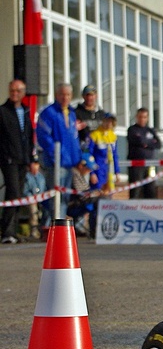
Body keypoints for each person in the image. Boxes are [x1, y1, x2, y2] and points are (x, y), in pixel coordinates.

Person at [36, 83, 83, 219]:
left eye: (68, 95)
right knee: (54, 197)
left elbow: (74, 139)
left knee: (64, 198)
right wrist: (57, 155)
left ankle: (59, 226)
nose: (65, 97)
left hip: (70, 164)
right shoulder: (49, 113)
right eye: (62, 94)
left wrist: (78, 159)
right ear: (57, 95)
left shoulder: (72, 113)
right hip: (55, 163)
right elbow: (44, 137)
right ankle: (50, 228)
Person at [0, 79, 34, 243]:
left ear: (23, 93)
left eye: (18, 91)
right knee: (12, 192)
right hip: (9, 159)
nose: (14, 94)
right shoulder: (3, 111)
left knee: (19, 195)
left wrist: (32, 159)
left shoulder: (26, 111)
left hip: (23, 159)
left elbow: (28, 136)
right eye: (12, 90)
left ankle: (14, 230)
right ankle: (7, 231)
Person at [126, 107, 161, 199]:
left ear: (147, 118)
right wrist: (148, 142)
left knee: (151, 189)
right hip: (137, 165)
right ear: (137, 117)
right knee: (136, 189)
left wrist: (146, 143)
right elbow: (139, 141)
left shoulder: (150, 130)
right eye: (140, 117)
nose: (142, 119)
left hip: (150, 165)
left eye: (144, 117)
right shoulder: (132, 129)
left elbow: (158, 144)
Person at [89, 113, 119, 194]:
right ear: (102, 121)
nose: (109, 124)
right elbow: (88, 155)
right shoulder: (94, 135)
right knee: (97, 194)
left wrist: (117, 172)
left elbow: (115, 155)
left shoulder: (113, 136)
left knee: (109, 195)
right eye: (107, 121)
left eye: (111, 122)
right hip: (98, 170)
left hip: (109, 171)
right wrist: (92, 173)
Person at [74, 84, 109, 151]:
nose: (90, 98)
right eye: (87, 95)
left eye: (92, 95)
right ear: (83, 96)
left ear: (96, 96)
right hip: (84, 149)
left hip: (100, 149)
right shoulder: (77, 112)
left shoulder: (101, 114)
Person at [23, 158, 47, 239]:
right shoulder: (26, 176)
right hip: (30, 199)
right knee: (33, 211)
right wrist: (33, 198)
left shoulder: (41, 176)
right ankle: (34, 231)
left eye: (37, 164)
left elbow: (44, 189)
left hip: (41, 198)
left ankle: (45, 229)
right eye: (33, 164)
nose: (35, 166)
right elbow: (25, 191)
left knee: (48, 208)